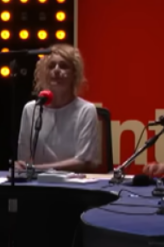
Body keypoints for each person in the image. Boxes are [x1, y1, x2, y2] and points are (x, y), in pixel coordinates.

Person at [15, 44, 100, 173]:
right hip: (37, 185)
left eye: (64, 66)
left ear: (74, 74)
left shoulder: (86, 110)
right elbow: (23, 159)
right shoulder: (31, 109)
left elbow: (83, 160)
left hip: (73, 185)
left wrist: (37, 168)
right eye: (51, 66)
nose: (56, 70)